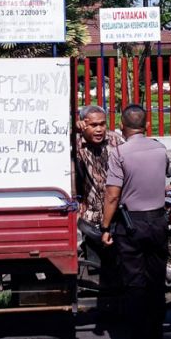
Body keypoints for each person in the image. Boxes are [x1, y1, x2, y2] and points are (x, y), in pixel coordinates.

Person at [100, 104, 169, 339]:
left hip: (131, 224)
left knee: (134, 281)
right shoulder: (160, 149)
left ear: (122, 126)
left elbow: (112, 195)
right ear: (147, 126)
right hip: (159, 221)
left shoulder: (119, 153)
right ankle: (155, 329)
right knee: (156, 278)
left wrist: (106, 227)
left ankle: (138, 331)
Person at [73, 105, 125, 319]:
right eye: (93, 125)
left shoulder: (116, 142)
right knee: (92, 262)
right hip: (89, 214)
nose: (99, 129)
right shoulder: (74, 144)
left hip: (118, 212)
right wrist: (72, 131)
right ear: (83, 124)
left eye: (102, 124)